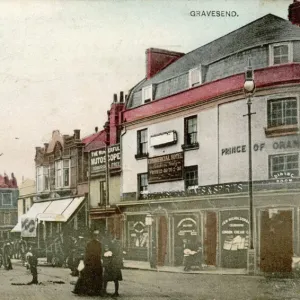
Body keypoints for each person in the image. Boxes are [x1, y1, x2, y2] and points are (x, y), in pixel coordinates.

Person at [72, 229, 103, 296]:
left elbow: (87, 253)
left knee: (85, 275)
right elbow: (100, 253)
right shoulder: (99, 244)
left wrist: (85, 261)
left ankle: (83, 290)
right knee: (96, 276)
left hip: (90, 262)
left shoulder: (89, 243)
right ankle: (96, 291)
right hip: (96, 262)